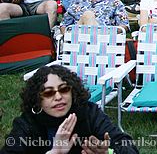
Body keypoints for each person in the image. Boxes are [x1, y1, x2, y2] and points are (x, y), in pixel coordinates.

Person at [1, 64, 138, 154]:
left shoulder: (89, 113)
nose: (58, 97)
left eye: (64, 89)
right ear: (38, 100)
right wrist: (54, 152)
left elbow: (129, 147)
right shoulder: (27, 123)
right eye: (49, 93)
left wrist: (109, 152)